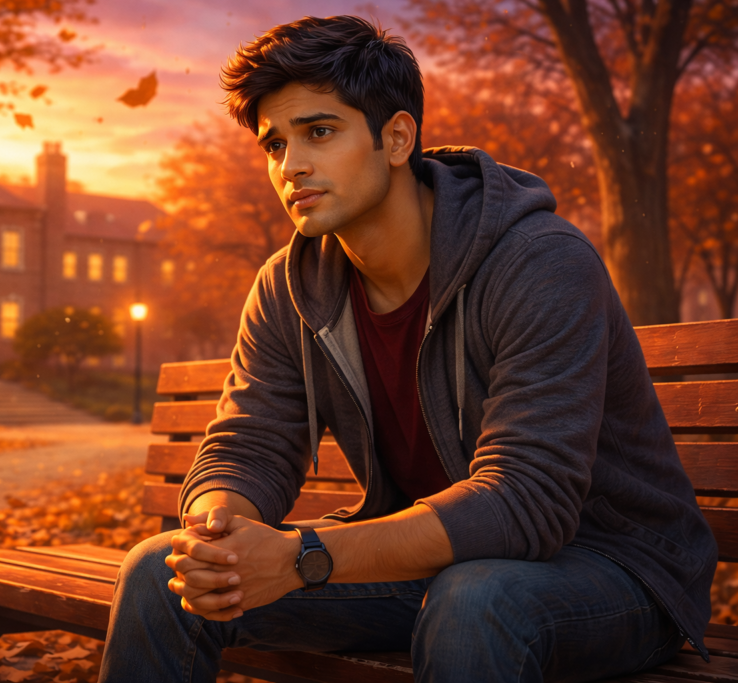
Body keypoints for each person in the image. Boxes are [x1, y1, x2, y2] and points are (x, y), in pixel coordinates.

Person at [98, 15, 717, 683]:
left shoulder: (539, 262)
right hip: (433, 564)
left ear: (396, 137)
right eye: (274, 144)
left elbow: (526, 501)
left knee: (476, 599)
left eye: (319, 131)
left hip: (612, 566)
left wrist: (303, 553)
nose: (291, 165)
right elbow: (249, 442)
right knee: (156, 574)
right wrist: (219, 531)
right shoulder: (290, 284)